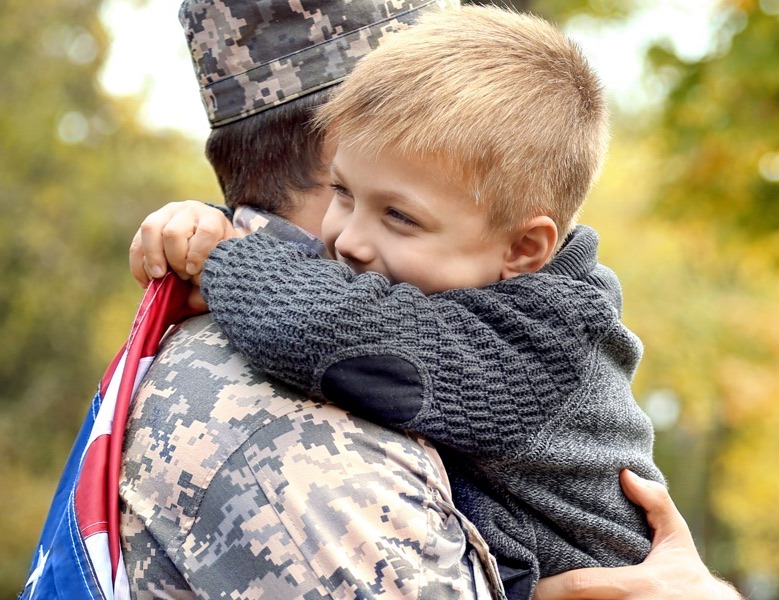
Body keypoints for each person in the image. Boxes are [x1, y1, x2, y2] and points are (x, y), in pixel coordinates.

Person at [120, 1, 736, 598]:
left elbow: (341, 331)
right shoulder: (456, 279)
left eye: (399, 216)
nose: (349, 240)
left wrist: (225, 255)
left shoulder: (536, 347)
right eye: (341, 192)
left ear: (525, 248)